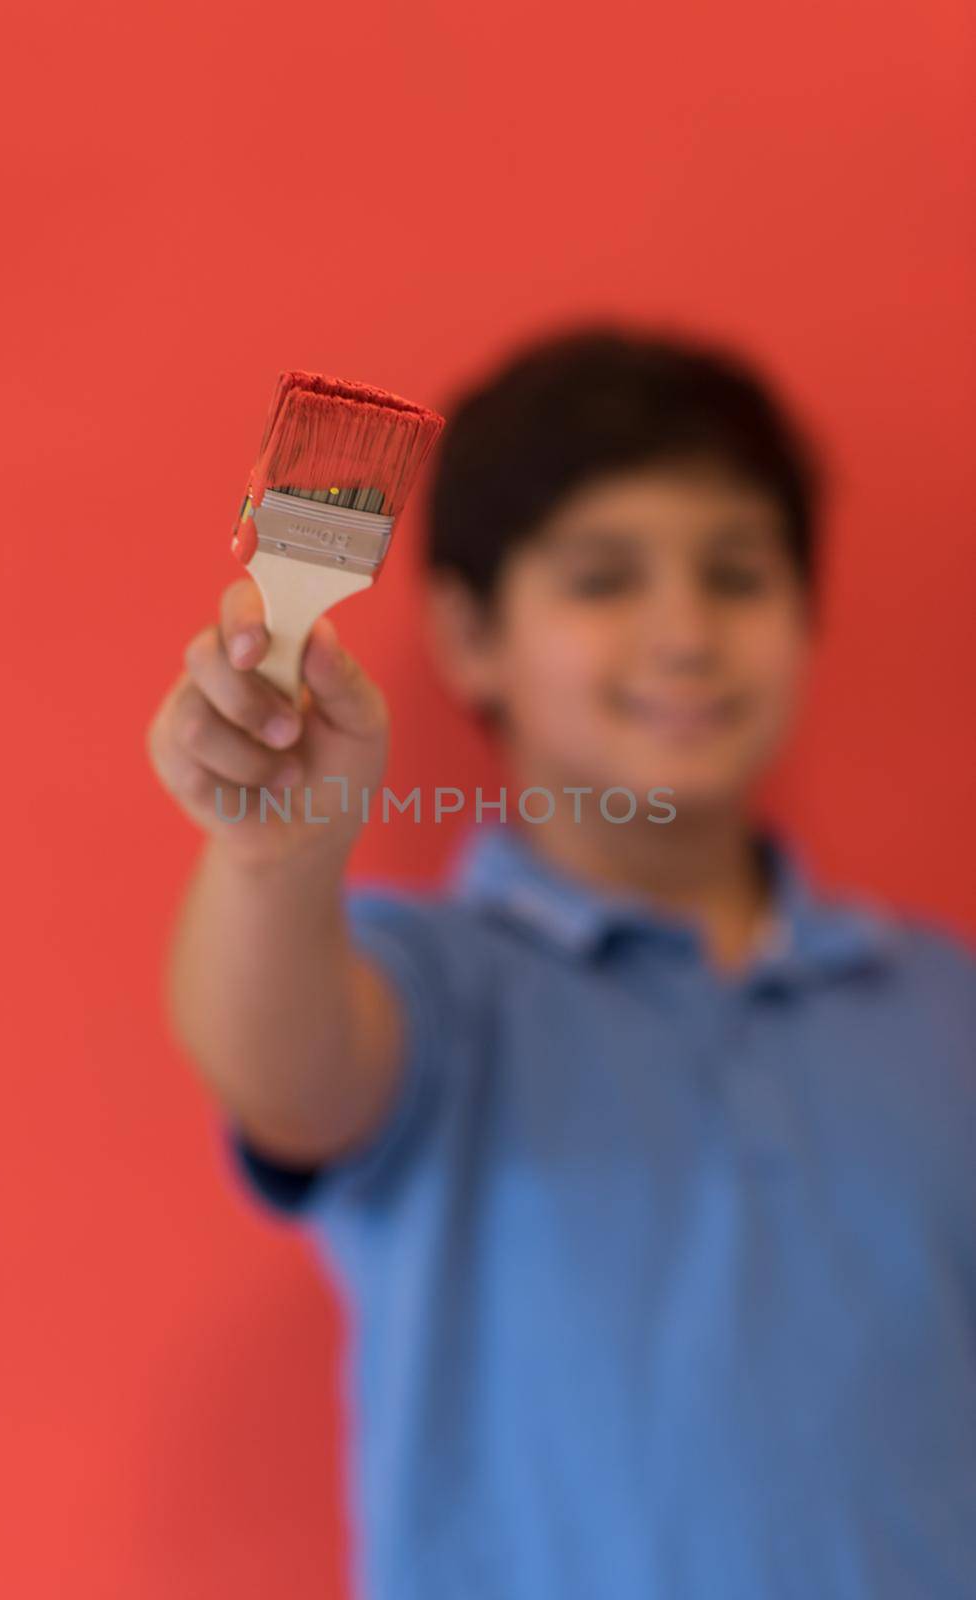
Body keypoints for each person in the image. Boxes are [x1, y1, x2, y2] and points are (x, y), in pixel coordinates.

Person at [145, 323, 976, 1599]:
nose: (685, 631)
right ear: (472, 635)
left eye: (739, 574)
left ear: (807, 617)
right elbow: (286, 1070)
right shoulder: (430, 982)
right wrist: (273, 863)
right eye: (603, 579)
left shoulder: (942, 1004)